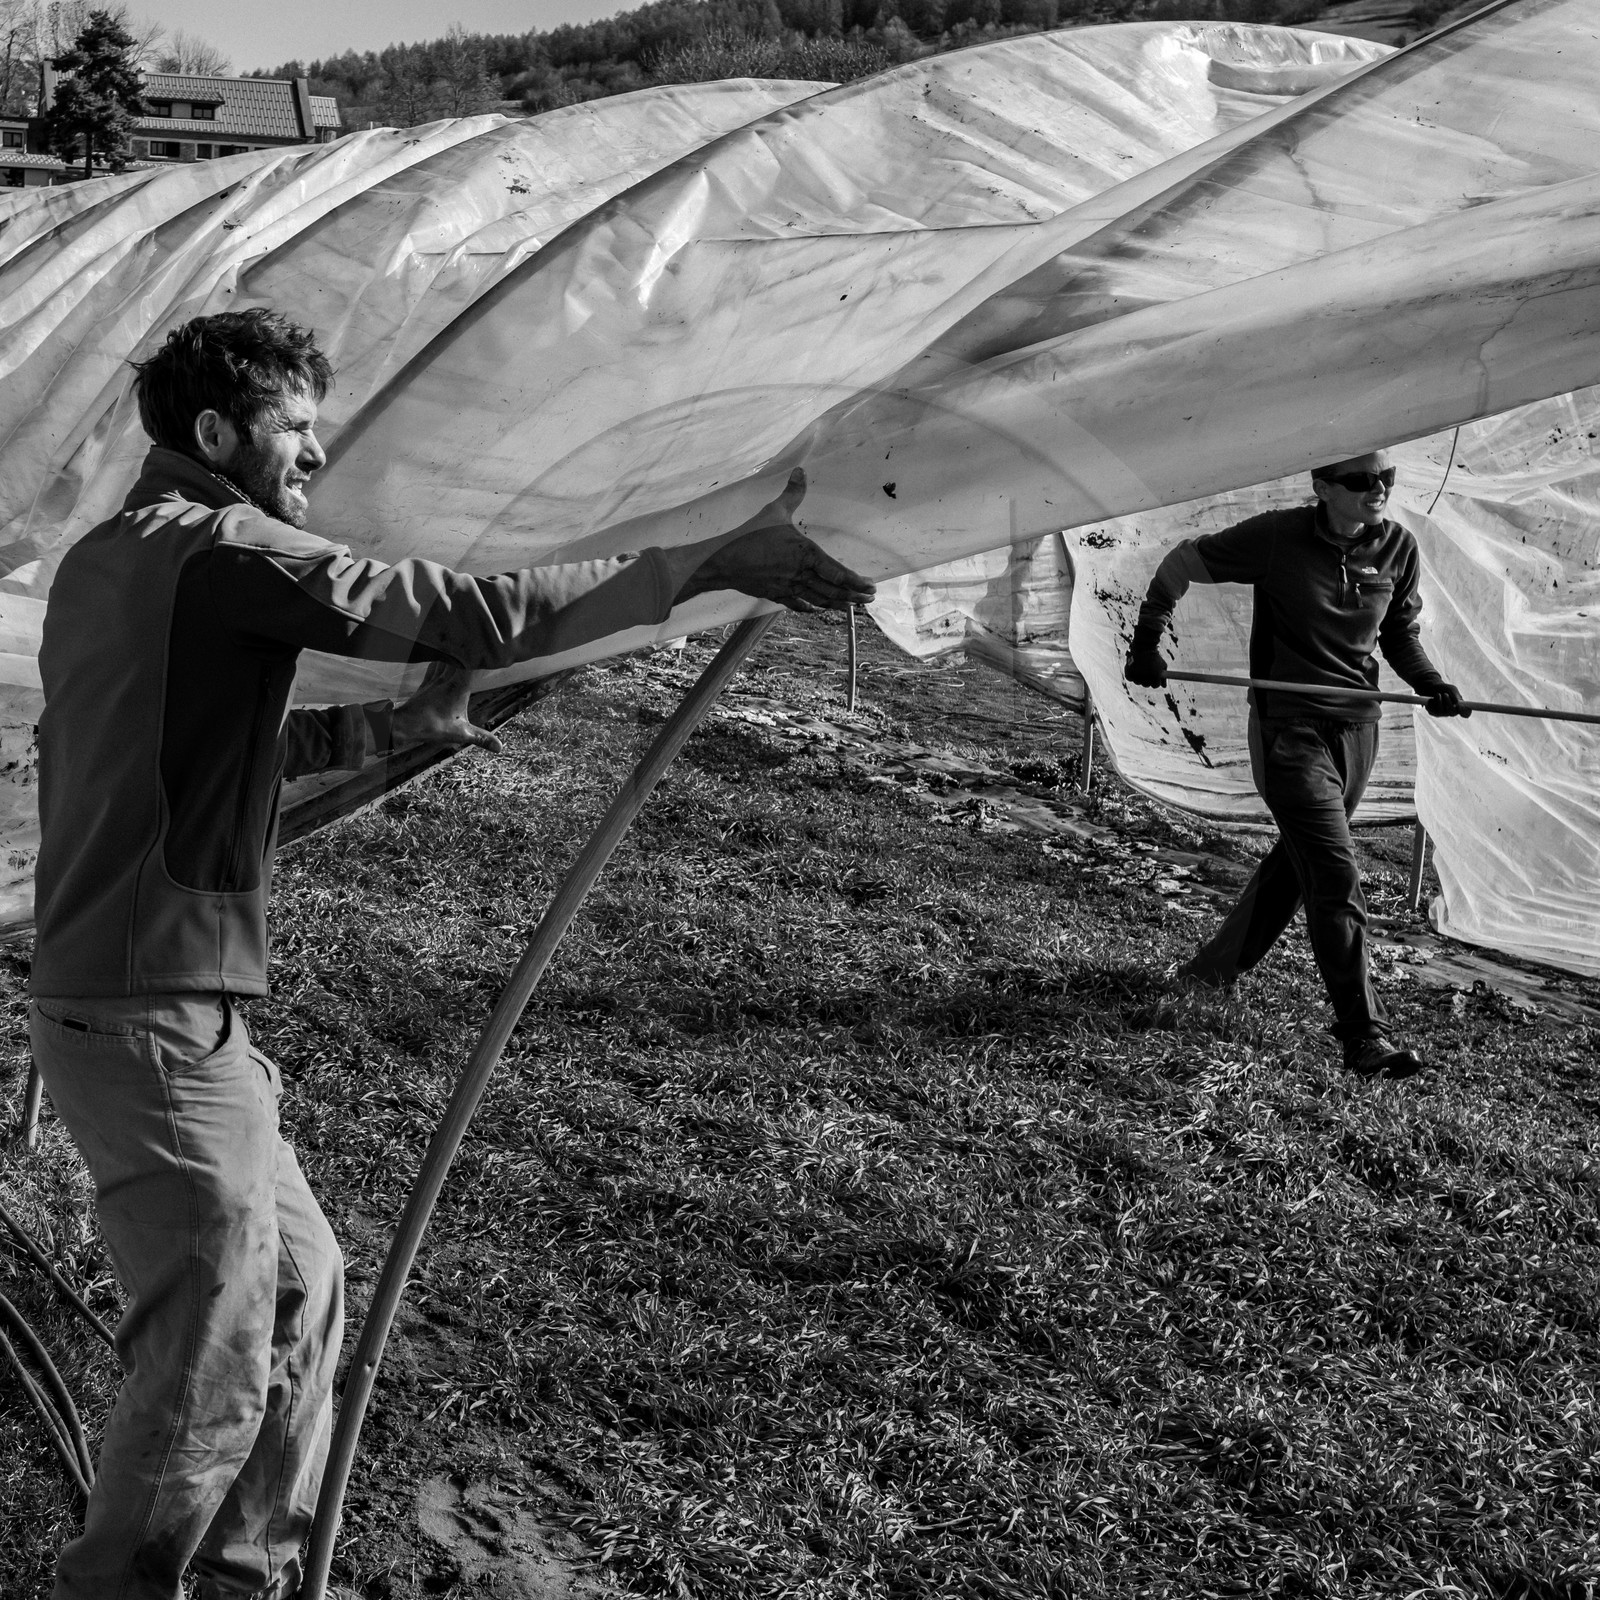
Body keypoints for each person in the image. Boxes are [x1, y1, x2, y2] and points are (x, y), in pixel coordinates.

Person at [26, 308, 875, 1600]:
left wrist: (403, 727)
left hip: (153, 1009)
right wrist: (714, 558)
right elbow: (475, 609)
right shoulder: (219, 551)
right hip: (147, 1017)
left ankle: (248, 1569)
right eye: (295, 430)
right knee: (209, 1348)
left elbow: (219, 762)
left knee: (302, 1285)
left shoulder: (112, 561)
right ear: (216, 436)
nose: (314, 456)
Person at [1123, 450, 1469, 1080]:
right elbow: (1182, 562)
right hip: (1289, 730)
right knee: (1334, 873)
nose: (1378, 490)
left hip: (1358, 730)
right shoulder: (1276, 537)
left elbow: (1398, 633)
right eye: (1361, 481)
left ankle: (1209, 974)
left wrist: (1430, 682)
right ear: (1322, 487)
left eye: (1385, 479)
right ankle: (1362, 1034)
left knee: (1299, 863)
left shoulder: (1397, 547)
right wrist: (1147, 640)